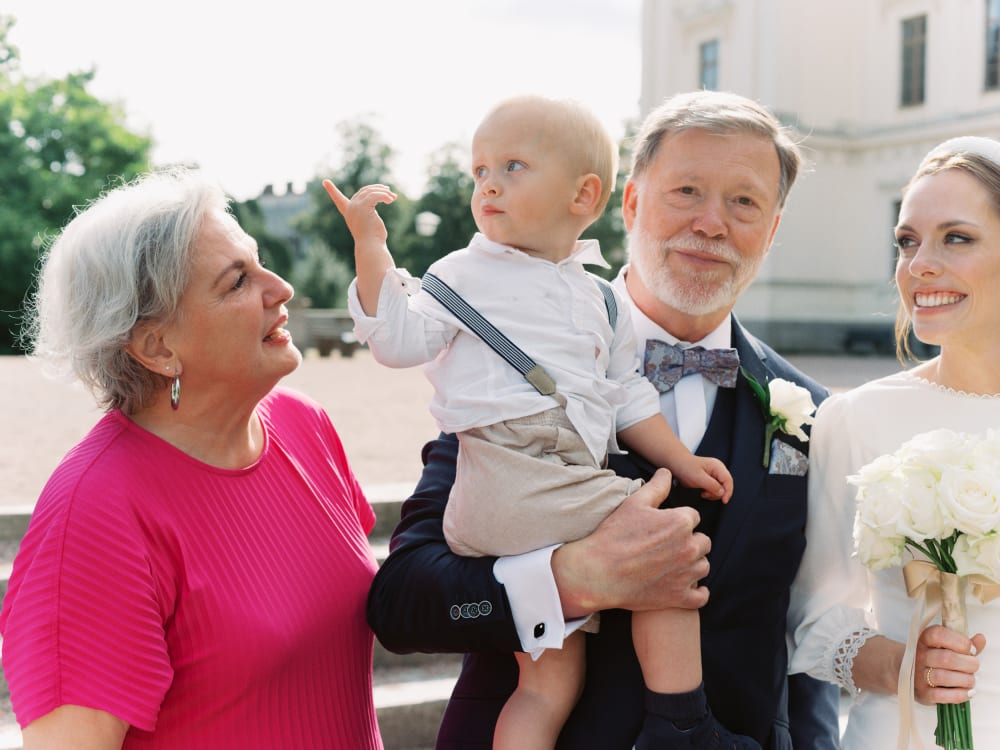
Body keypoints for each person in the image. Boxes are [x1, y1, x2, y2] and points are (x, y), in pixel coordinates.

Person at [365, 88, 841, 750]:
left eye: (743, 202)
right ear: (631, 202)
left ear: (773, 228)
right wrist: (570, 580)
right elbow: (405, 603)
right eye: (687, 192)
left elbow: (808, 640)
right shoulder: (508, 344)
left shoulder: (810, 411)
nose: (711, 223)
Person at [0, 168, 383, 749]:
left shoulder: (305, 425)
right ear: (157, 347)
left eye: (259, 262)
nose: (280, 288)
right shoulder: (95, 514)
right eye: (238, 281)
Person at [788, 136, 1000, 747]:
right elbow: (815, 619)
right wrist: (905, 665)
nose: (919, 265)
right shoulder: (857, 418)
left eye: (955, 238)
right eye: (907, 241)